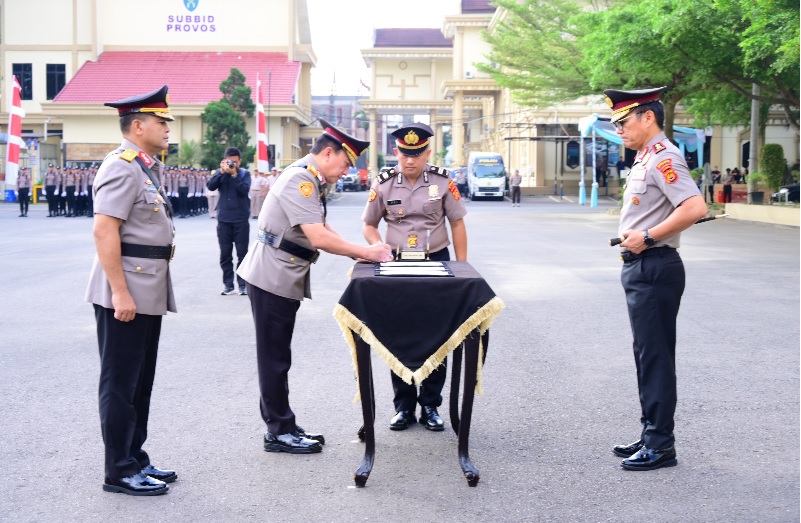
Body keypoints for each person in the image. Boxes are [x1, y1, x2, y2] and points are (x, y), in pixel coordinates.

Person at [236, 119, 392, 454]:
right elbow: (319, 238)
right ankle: (278, 431)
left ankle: (282, 423)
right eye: (346, 162)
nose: (346, 170)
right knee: (274, 357)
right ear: (328, 152)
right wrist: (365, 251)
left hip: (281, 274)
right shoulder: (301, 180)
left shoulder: (310, 178)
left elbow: (323, 225)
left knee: (278, 355)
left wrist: (362, 252)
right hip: (272, 276)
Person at [604, 86, 706, 471]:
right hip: (643, 266)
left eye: (625, 122)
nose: (620, 131)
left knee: (656, 356)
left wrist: (647, 237)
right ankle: (651, 432)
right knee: (646, 355)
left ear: (649, 118)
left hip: (655, 265)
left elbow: (695, 207)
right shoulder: (646, 158)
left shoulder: (664, 158)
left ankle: (661, 444)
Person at [85, 85, 178, 496]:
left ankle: (135, 457)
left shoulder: (144, 167)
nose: (167, 128)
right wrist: (120, 292)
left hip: (147, 286)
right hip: (128, 289)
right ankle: (118, 469)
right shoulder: (122, 166)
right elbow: (105, 230)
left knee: (141, 381)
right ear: (137, 126)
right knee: (121, 382)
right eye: (161, 122)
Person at [361, 122, 468, 432]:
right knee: (400, 333)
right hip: (396, 265)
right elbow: (368, 224)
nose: (410, 160)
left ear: (427, 153)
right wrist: (375, 245)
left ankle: (431, 405)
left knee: (438, 333)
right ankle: (404, 405)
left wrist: (461, 267)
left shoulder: (443, 182)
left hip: (436, 260)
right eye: (405, 154)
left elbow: (457, 224)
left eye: (417, 154)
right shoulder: (383, 184)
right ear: (396, 152)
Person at [207, 147, 252, 295]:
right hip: (224, 220)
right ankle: (228, 284)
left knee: (242, 254)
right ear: (225, 160)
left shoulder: (245, 174)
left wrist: (234, 175)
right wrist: (221, 172)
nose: (233, 164)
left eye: (235, 162)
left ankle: (243, 284)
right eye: (230, 162)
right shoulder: (221, 174)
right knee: (225, 254)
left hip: (240, 220)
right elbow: (211, 186)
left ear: (240, 161)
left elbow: (244, 190)